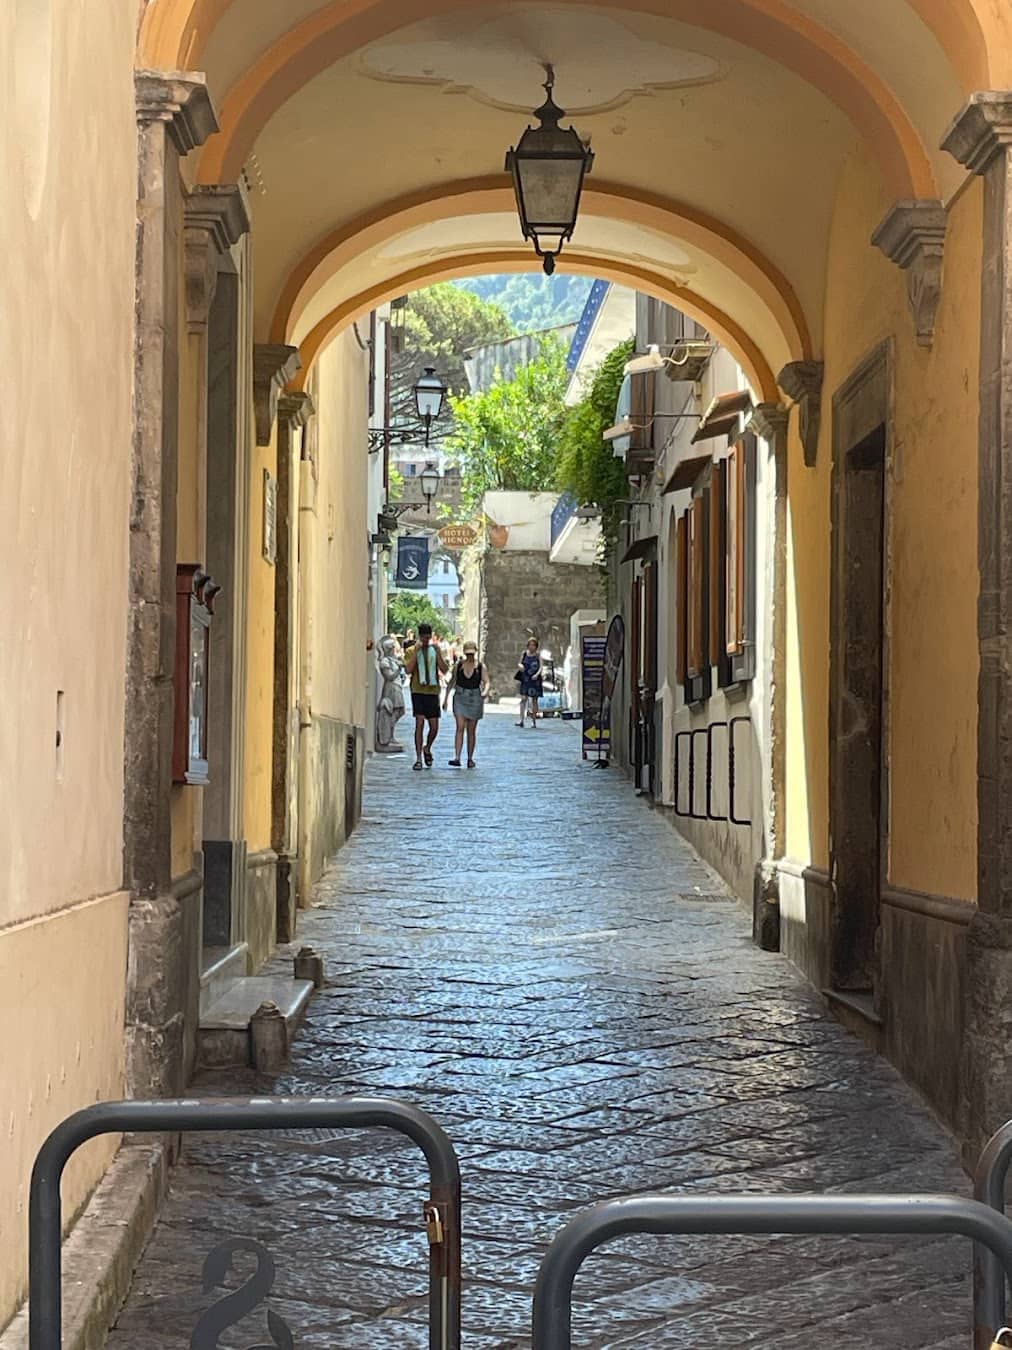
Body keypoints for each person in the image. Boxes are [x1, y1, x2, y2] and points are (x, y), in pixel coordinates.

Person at [404, 623, 448, 769]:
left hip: (433, 691)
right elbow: (408, 670)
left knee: (434, 727)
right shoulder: (411, 650)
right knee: (420, 722)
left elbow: (444, 669)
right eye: (423, 638)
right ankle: (418, 758)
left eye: (428, 638)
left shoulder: (435, 650)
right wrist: (416, 654)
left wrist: (438, 654)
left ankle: (427, 747)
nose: (425, 641)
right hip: (418, 690)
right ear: (419, 637)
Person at [443, 640, 490, 768]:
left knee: (471, 730)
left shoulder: (480, 667)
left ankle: (470, 758)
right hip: (460, 697)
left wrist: (485, 692)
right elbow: (452, 682)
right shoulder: (459, 666)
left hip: (475, 698)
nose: (470, 656)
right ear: (464, 653)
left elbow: (486, 681)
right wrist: (445, 699)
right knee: (460, 726)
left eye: (472, 654)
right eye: (468, 654)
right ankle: (457, 757)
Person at [516, 636, 544, 728]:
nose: (532, 647)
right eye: (530, 645)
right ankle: (521, 720)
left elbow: (541, 667)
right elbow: (519, 663)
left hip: (534, 679)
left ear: (536, 646)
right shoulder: (524, 654)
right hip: (526, 678)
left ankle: (534, 721)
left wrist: (537, 674)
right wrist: (520, 666)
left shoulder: (538, 655)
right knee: (523, 698)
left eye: (534, 645)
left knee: (534, 700)